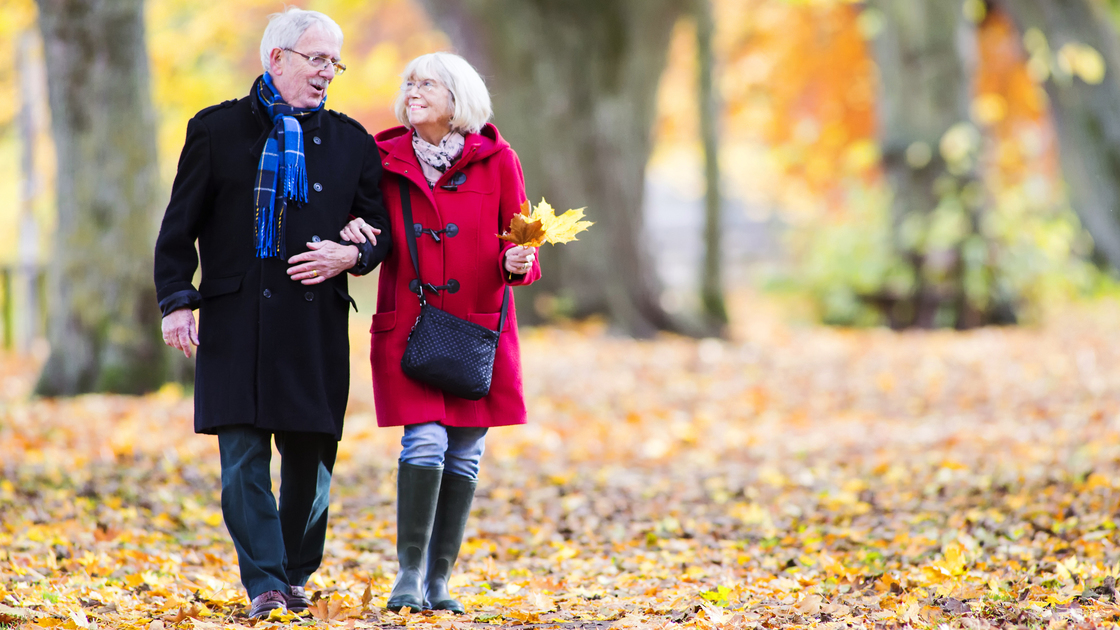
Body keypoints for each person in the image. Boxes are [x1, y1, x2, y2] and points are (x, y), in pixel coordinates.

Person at [153, 8, 391, 619]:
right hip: (235, 320)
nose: (328, 74)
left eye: (335, 62)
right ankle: (265, 582)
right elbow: (179, 228)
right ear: (276, 58)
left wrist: (352, 254)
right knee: (242, 460)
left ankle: (294, 569)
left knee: (311, 458)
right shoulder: (215, 129)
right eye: (317, 59)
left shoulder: (352, 141)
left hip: (313, 325)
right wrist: (177, 299)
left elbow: (378, 233)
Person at [340, 52, 538, 614]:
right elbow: (364, 227)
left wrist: (520, 262)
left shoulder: (499, 160)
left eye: (428, 82)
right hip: (411, 324)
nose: (414, 89)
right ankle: (408, 573)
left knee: (466, 454)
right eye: (409, 81)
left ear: (460, 98)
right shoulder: (382, 158)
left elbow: (517, 240)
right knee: (424, 440)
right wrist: (351, 233)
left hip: (478, 326)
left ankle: (439, 581)